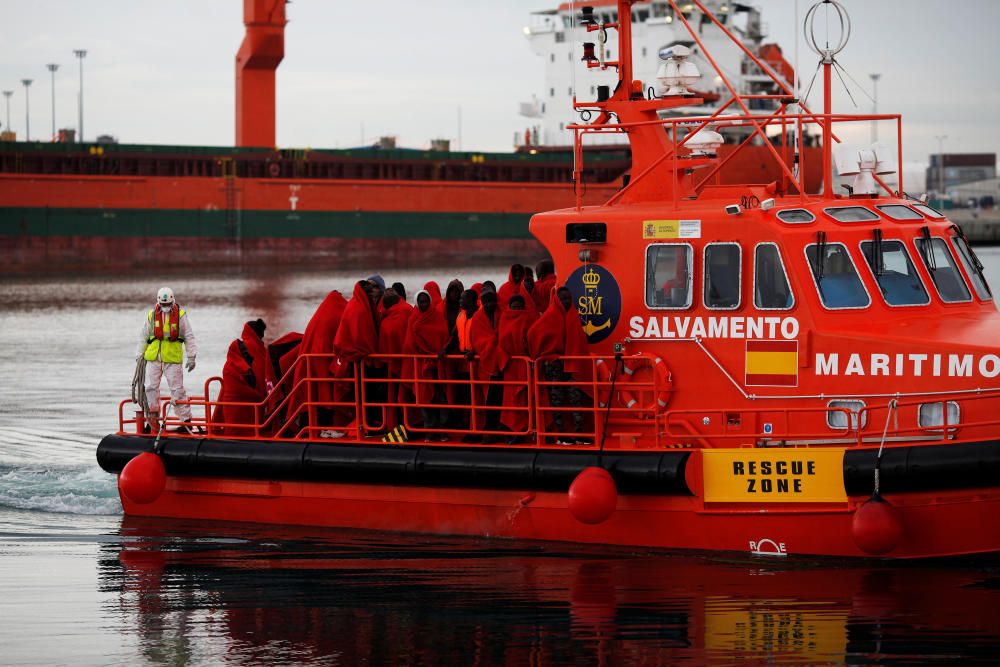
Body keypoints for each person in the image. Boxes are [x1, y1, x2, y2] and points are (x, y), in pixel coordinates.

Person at [527, 287, 589, 444]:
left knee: (575, 397)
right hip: (554, 365)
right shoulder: (550, 316)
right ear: (557, 299)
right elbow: (533, 333)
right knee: (557, 399)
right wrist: (547, 354)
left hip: (571, 364)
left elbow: (578, 341)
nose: (567, 302)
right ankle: (560, 433)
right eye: (563, 299)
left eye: (569, 298)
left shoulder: (573, 316)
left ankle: (579, 432)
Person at [136, 286, 199, 434]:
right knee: (150, 388)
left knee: (177, 390)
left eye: (167, 305)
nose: (165, 307)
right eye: (163, 305)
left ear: (172, 302)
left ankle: (186, 421)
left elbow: (189, 336)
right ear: (158, 303)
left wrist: (191, 356)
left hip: (172, 359)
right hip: (153, 357)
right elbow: (143, 336)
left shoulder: (181, 316)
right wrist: (139, 354)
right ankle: (153, 421)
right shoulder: (152, 316)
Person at [291, 290, 347, 430]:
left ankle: (309, 427)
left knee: (312, 392)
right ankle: (324, 426)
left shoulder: (320, 316)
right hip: (323, 361)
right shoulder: (339, 313)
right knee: (324, 393)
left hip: (310, 362)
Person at [332, 280, 379, 433]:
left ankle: (366, 422)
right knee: (364, 394)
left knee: (364, 394)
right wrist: (368, 353)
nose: (372, 294)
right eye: (369, 291)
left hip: (360, 360)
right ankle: (365, 423)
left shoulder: (358, 305)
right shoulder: (358, 308)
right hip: (359, 361)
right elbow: (360, 337)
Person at [403, 290, 451, 441]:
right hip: (421, 365)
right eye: (421, 302)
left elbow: (443, 335)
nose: (424, 304)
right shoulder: (413, 319)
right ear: (417, 303)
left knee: (440, 396)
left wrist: (437, 353)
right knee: (424, 397)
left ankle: (443, 429)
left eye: (426, 301)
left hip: (437, 364)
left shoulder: (437, 317)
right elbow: (409, 344)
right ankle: (429, 429)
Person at [467, 290, 507, 442]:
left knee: (503, 399)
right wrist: (476, 350)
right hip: (486, 365)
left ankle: (500, 430)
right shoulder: (478, 318)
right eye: (487, 302)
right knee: (490, 399)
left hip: (503, 363)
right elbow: (477, 338)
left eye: (492, 301)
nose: (490, 305)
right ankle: (490, 431)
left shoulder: (503, 313)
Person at [498, 294, 534, 443]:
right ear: (510, 307)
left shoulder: (529, 319)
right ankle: (514, 431)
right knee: (511, 402)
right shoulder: (504, 319)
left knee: (525, 399)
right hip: (511, 366)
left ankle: (524, 431)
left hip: (524, 365)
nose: (517, 310)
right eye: (514, 307)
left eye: (520, 307)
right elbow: (501, 341)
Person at [212, 338, 266, 437]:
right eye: (244, 352)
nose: (248, 354)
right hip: (237, 411)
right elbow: (242, 390)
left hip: (247, 411)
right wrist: (264, 397)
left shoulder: (244, 368)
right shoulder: (233, 368)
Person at [377, 288, 413, 430]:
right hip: (407, 363)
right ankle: (408, 427)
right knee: (404, 397)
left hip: (394, 365)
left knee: (398, 397)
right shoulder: (408, 310)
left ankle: (401, 427)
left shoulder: (389, 317)